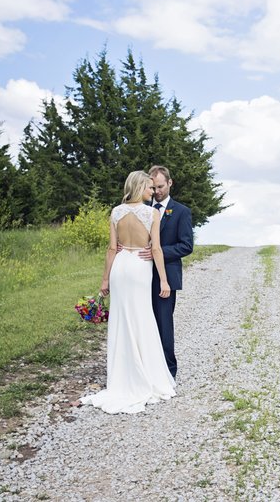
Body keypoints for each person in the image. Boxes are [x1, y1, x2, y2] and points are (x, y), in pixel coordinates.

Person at [80, 171, 176, 413]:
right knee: (141, 317)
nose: (152, 192)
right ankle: (145, 374)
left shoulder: (116, 212)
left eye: (154, 188)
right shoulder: (151, 213)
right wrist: (164, 281)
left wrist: (105, 280)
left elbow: (112, 249)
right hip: (139, 268)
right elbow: (156, 250)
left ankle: (121, 377)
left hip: (120, 267)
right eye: (149, 187)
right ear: (139, 186)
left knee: (121, 320)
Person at [135, 165, 194, 379]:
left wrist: (157, 252)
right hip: (140, 275)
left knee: (164, 324)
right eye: (153, 187)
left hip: (166, 276)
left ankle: (169, 372)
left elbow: (186, 246)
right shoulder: (141, 209)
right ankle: (145, 369)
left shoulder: (181, 212)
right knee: (142, 322)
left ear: (170, 183)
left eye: (160, 186)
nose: (157, 191)